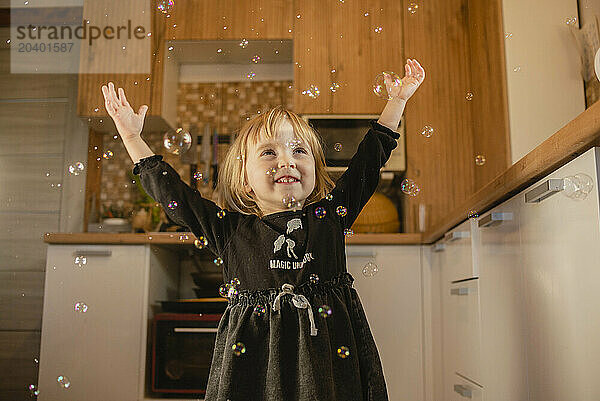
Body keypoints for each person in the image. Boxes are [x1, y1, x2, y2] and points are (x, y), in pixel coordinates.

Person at [101, 58, 425, 401]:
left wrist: (397, 101)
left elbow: (368, 162)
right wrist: (132, 136)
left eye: (298, 151)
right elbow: (174, 196)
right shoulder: (229, 230)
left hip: (326, 359)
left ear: (315, 169)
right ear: (245, 180)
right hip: (255, 361)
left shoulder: (330, 216)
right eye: (269, 153)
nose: (286, 160)